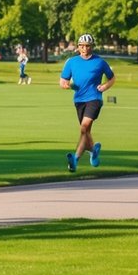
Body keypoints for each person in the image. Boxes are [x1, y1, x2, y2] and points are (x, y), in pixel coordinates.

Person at [59, 33, 115, 172]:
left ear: (92, 47)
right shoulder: (71, 62)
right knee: (85, 133)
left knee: (84, 127)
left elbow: (112, 78)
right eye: (82, 46)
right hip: (79, 100)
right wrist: (67, 85)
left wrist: (104, 86)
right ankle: (93, 152)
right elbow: (62, 81)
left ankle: (75, 160)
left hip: (94, 98)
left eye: (87, 46)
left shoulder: (100, 62)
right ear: (78, 47)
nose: (85, 49)